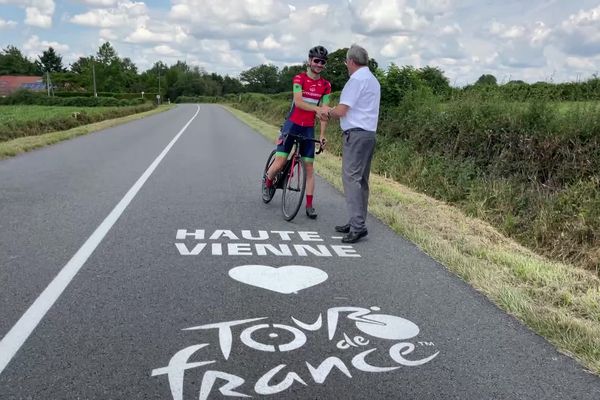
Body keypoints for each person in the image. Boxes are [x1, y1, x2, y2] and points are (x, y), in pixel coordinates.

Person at [262, 45, 331, 219]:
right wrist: (316, 109)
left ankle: (309, 205)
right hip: (292, 125)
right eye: (316, 60)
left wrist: (322, 135)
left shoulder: (326, 85)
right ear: (309, 61)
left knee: (309, 167)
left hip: (308, 128)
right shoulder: (299, 79)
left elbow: (325, 113)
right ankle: (268, 181)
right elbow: (299, 102)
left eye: (323, 62)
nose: (319, 64)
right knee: (280, 162)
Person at [322, 44, 381, 243]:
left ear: (351, 61)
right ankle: (357, 219)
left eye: (347, 61)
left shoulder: (355, 80)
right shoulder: (372, 80)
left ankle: (357, 226)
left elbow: (342, 110)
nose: (346, 65)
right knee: (361, 180)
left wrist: (327, 111)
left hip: (355, 134)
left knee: (351, 179)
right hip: (369, 133)